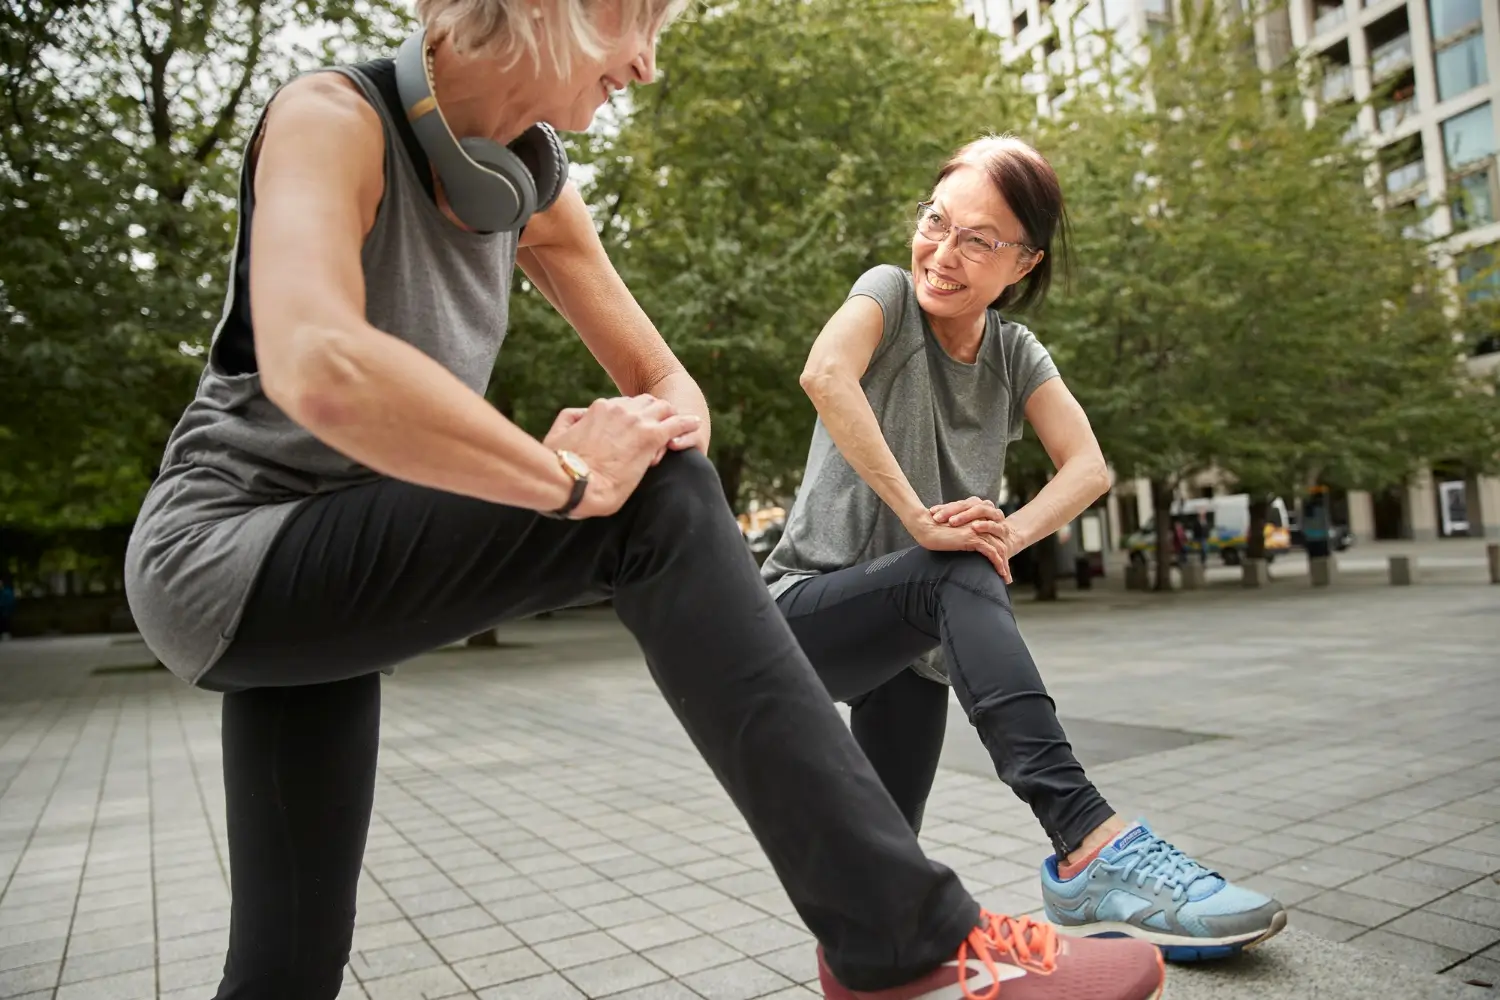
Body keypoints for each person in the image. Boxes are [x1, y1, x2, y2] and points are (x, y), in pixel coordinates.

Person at [123, 4, 1168, 999]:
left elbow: (674, 396)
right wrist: (569, 481)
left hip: (329, 584)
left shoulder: (529, 180)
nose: (646, 63)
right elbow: (320, 365)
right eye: (638, 21)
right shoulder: (330, 120)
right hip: (224, 552)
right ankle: (905, 942)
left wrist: (636, 441)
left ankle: (897, 940)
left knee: (288, 969)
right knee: (652, 501)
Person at [762, 135, 1287, 963]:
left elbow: (1088, 468)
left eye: (980, 241)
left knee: (882, 862)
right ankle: (1087, 840)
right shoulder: (888, 296)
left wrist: (1006, 531)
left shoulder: (1012, 353)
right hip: (806, 612)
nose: (944, 252)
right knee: (955, 566)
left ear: (1023, 263)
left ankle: (901, 957)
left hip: (912, 645)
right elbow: (825, 373)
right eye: (937, 222)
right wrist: (924, 518)